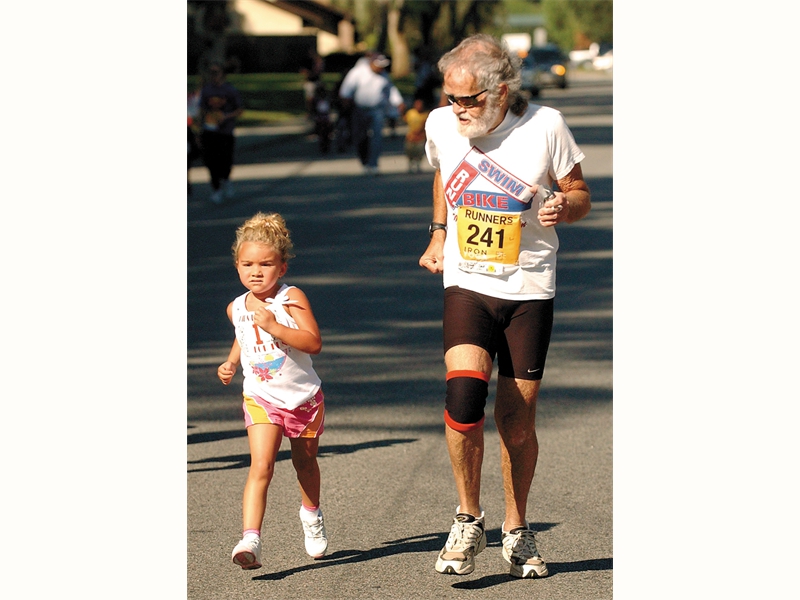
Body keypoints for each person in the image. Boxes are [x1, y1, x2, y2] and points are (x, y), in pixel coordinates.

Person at [418, 34, 591, 579]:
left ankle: (516, 528)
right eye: (451, 97)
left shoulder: (546, 125)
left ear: (502, 90)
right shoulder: (441, 125)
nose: (457, 109)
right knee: (463, 396)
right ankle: (468, 519)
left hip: (529, 288)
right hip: (467, 282)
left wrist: (564, 207)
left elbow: (580, 192)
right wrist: (439, 232)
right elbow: (444, 171)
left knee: (516, 421)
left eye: (469, 99)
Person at [218, 212, 328, 570]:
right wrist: (231, 362)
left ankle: (311, 514)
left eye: (265, 265)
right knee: (261, 465)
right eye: (247, 264)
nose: (256, 272)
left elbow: (313, 342)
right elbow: (243, 335)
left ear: (282, 268)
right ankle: (250, 539)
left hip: (302, 398)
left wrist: (275, 326)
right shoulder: (236, 307)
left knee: (304, 463)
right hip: (261, 397)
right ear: (237, 266)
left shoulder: (290, 298)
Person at [338, 53, 405, 174]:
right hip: (360, 109)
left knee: (376, 137)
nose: (381, 68)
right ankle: (365, 161)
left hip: (377, 110)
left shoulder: (384, 76)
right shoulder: (358, 72)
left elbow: (390, 89)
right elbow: (346, 89)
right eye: (379, 65)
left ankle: (373, 163)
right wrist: (345, 103)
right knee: (360, 137)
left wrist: (398, 102)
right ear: (371, 63)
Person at [199, 63, 244, 204]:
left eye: (216, 72)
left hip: (225, 131)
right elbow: (201, 109)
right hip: (210, 130)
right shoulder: (206, 90)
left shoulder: (229, 90)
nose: (213, 76)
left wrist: (226, 116)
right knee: (211, 161)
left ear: (222, 74)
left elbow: (239, 109)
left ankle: (226, 179)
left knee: (226, 159)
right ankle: (216, 189)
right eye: (211, 73)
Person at [402, 97, 429, 173]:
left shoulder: (425, 115)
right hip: (411, 137)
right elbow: (404, 119)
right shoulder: (411, 113)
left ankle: (418, 164)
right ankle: (410, 164)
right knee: (410, 151)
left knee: (419, 152)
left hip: (420, 138)